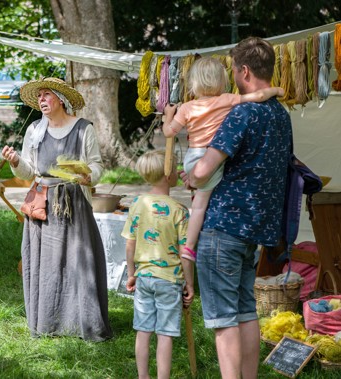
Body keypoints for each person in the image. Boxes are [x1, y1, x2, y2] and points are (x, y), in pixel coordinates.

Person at [181, 38, 292, 378]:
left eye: (233, 70)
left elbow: (203, 171)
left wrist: (191, 176)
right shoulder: (280, 114)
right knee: (246, 312)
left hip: (224, 227)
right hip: (256, 230)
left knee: (224, 319)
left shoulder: (242, 113)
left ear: (244, 71)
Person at [1, 77, 112, 341]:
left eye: (46, 95)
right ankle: (48, 323)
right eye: (39, 96)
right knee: (47, 266)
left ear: (60, 99)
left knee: (78, 261)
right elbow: (29, 171)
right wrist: (16, 161)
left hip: (73, 204)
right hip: (43, 205)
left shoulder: (84, 129)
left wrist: (87, 176)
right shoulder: (34, 130)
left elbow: (97, 166)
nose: (41, 100)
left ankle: (81, 321)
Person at [162, 57, 284, 260]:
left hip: (193, 156)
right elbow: (260, 95)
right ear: (222, 80)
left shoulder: (187, 108)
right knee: (200, 204)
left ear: (194, 83)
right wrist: (277, 91)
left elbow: (168, 132)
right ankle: (190, 248)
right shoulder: (226, 99)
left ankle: (191, 243)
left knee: (199, 197)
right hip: (210, 156)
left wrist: (168, 114)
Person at [121, 149, 194, 379]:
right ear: (168, 174)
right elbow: (186, 253)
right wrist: (189, 283)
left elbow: (130, 245)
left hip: (143, 278)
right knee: (165, 334)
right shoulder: (179, 211)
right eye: (174, 167)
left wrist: (131, 274)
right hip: (170, 280)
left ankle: (143, 377)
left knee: (143, 331)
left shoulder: (137, 204)